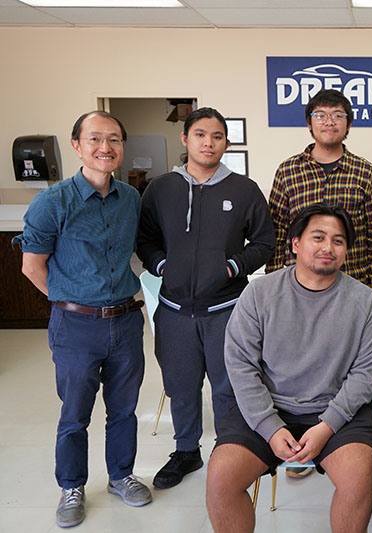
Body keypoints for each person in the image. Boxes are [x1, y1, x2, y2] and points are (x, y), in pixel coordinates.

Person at [206, 203, 372, 533]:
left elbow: (365, 375)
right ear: (295, 243)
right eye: (318, 237)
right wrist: (270, 427)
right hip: (269, 408)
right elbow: (241, 364)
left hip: (337, 413)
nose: (327, 248)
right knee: (221, 479)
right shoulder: (260, 293)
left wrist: (326, 426)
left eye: (338, 241)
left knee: (358, 479)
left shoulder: (364, 301)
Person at [15, 111, 151, 528]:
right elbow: (32, 266)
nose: (105, 147)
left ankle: (121, 476)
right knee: (75, 413)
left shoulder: (131, 199)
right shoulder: (52, 201)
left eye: (113, 139)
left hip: (126, 321)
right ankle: (71, 485)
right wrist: (71, 303)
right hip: (75, 325)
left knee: (124, 409)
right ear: (77, 146)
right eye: (95, 139)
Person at [137, 107, 275, 490]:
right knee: (180, 384)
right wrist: (162, 266)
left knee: (230, 385)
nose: (208, 142)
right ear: (185, 139)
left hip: (227, 309)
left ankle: (231, 448)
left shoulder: (244, 190)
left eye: (216, 136)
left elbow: (265, 242)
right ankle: (185, 451)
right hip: (175, 311)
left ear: (225, 143)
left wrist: (233, 267)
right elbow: (144, 239)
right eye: (200, 135)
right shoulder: (161, 188)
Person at [267, 89, 372, 305]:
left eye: (338, 115)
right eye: (320, 115)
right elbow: (277, 231)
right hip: (297, 288)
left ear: (348, 124)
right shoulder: (288, 171)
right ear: (309, 123)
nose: (329, 122)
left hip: (352, 285)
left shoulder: (367, 173)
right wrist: (274, 286)